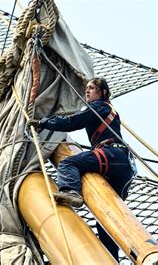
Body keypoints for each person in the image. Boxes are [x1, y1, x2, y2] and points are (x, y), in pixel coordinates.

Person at [29, 77, 136, 261]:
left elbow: (73, 122)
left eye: (92, 88)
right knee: (106, 220)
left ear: (102, 92)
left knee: (68, 164)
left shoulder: (100, 107)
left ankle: (71, 192)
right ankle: (112, 259)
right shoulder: (105, 109)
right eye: (86, 88)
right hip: (123, 166)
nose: (87, 91)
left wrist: (44, 123)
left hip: (112, 155)